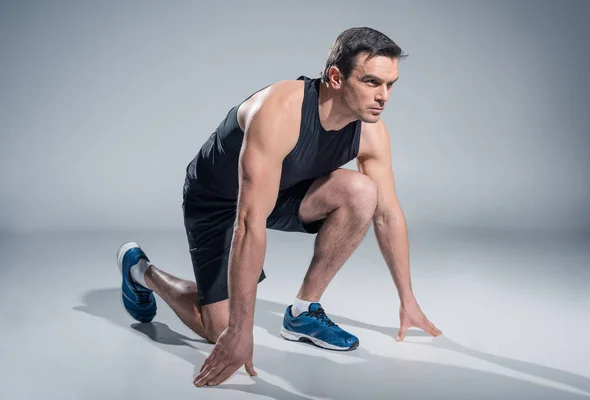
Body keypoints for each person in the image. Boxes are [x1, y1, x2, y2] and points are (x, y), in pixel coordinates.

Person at [116, 26, 442, 387]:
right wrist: (240, 331)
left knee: (365, 193)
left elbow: (387, 214)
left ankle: (304, 311)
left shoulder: (371, 131)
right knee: (220, 329)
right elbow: (248, 221)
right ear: (336, 77)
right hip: (218, 199)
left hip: (283, 191)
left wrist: (407, 298)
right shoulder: (280, 111)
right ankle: (140, 270)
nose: (383, 97)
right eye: (371, 82)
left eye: (390, 84)